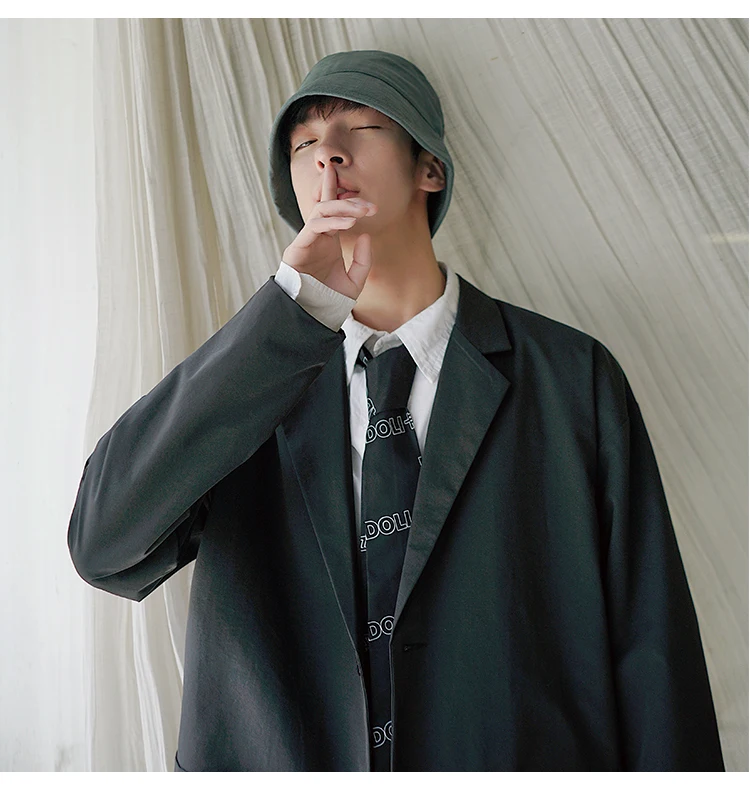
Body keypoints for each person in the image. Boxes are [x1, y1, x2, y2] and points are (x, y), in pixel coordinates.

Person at [68, 49, 725, 772]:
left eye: (360, 128)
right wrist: (290, 311)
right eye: (303, 145)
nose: (328, 155)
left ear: (429, 169)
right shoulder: (247, 381)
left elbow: (653, 646)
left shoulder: (571, 377)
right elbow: (103, 544)